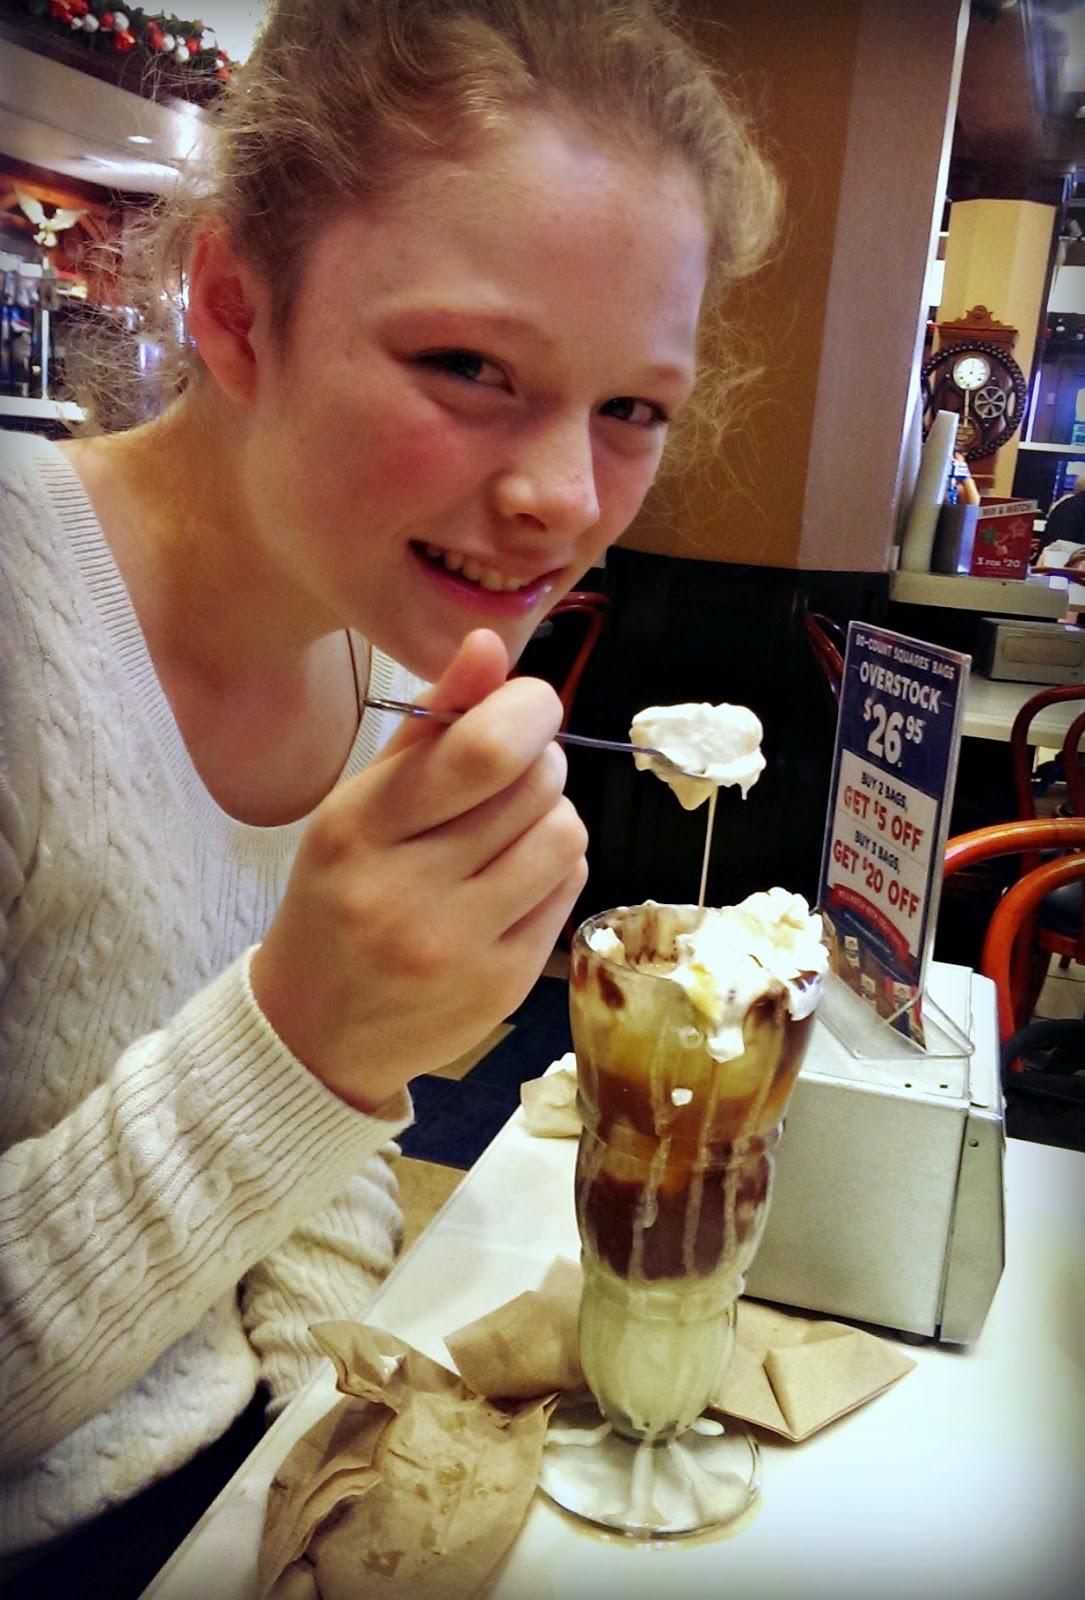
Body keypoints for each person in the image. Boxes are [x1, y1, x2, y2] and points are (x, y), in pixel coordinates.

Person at [0, 0, 779, 1590]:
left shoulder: (378, 663)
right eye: (469, 365)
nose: (565, 499)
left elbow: (316, 1200)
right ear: (235, 307)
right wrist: (307, 1034)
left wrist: (310, 1443)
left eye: (632, 407)